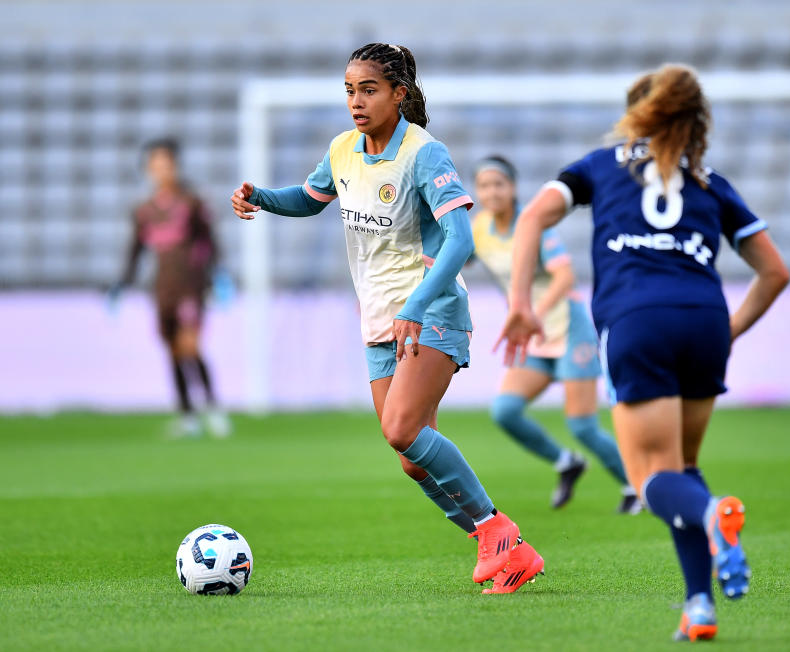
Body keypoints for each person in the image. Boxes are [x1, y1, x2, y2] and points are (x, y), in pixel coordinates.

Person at [230, 43, 543, 594]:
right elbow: (310, 197)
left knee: (402, 429)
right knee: (411, 458)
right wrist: (263, 198)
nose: (356, 101)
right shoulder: (344, 150)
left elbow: (460, 238)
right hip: (379, 320)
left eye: (368, 90)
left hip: (431, 311)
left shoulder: (424, 154)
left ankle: (497, 530)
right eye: (349, 90)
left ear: (399, 93)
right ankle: (510, 553)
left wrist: (418, 303)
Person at [499, 64, 790, 639]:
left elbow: (532, 216)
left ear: (636, 113)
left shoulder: (600, 166)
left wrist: (519, 302)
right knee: (681, 466)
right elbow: (774, 273)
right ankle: (699, 606)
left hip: (638, 320)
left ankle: (712, 514)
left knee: (652, 477)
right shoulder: (711, 182)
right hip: (705, 319)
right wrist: (726, 332)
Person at [470, 155, 639, 513]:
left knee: (583, 426)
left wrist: (534, 314)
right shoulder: (480, 227)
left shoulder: (535, 226)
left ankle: (636, 486)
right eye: (484, 185)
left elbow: (565, 277)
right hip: (532, 336)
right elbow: (454, 257)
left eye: (499, 183)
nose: (491, 191)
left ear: (513, 188)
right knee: (505, 411)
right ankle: (567, 463)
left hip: (567, 329)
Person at [111, 138, 231, 438]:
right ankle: (187, 415)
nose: (161, 170)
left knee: (191, 346)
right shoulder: (144, 211)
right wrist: (122, 283)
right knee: (174, 351)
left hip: (191, 285)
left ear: (175, 166)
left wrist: (219, 275)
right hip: (163, 289)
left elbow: (211, 242)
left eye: (166, 164)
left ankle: (214, 410)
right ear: (148, 170)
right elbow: (135, 250)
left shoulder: (192, 203)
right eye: (156, 165)